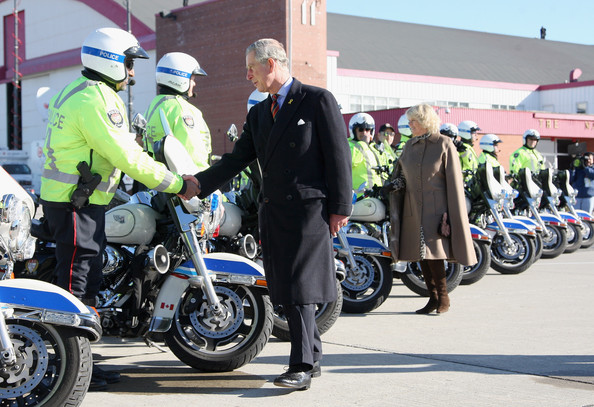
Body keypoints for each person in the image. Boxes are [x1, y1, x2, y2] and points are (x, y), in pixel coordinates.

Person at [187, 38, 352, 390]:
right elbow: (235, 160)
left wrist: (341, 208)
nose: (248, 76)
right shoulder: (260, 112)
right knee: (287, 287)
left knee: (300, 287)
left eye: (251, 68)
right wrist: (197, 184)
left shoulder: (317, 100)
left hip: (309, 210)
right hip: (274, 210)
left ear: (271, 64)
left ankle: (301, 365)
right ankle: (314, 356)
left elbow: (339, 157)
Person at [39, 27, 198, 390]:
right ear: (110, 61)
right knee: (78, 284)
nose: (132, 72)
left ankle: (83, 363)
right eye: (128, 63)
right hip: (75, 203)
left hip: (77, 200)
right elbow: (125, 156)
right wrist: (176, 184)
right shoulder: (98, 100)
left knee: (88, 278)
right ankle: (71, 368)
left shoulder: (79, 91)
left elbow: (122, 148)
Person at [388, 103, 476, 314]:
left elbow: (454, 181)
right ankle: (433, 298)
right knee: (421, 257)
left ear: (425, 121)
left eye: (413, 121)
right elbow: (400, 174)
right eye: (409, 121)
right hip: (413, 209)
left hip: (437, 210)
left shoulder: (444, 143)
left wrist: (451, 213)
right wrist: (394, 185)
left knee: (434, 255)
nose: (410, 125)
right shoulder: (409, 146)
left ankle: (443, 297)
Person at [144, 52, 211, 171]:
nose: (194, 83)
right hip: (186, 182)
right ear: (181, 78)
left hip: (159, 178)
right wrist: (206, 181)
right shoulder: (182, 109)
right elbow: (193, 152)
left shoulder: (153, 105)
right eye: (192, 78)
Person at [349, 112, 385, 195]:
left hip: (376, 197)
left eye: (367, 130)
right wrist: (363, 143)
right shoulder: (348, 145)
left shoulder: (374, 148)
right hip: (358, 199)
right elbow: (351, 162)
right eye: (360, 129)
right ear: (354, 131)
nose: (364, 133)